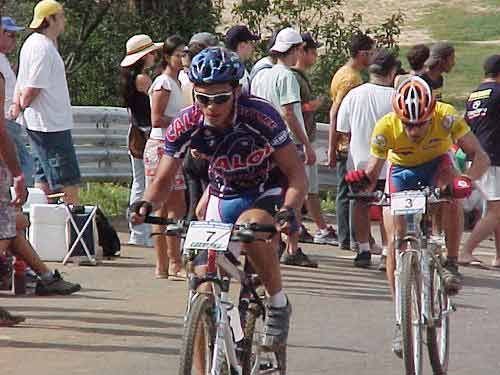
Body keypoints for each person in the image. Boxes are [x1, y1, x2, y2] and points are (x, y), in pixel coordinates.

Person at [131, 47, 305, 355]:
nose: (211, 106)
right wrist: (146, 204)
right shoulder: (187, 122)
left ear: (237, 91)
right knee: (202, 286)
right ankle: (219, 334)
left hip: (265, 190)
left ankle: (278, 303)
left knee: (250, 228)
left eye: (221, 98)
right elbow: (162, 179)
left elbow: (296, 174)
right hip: (222, 193)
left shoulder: (261, 115)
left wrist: (289, 210)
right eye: (203, 98)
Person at [345, 76, 489, 356]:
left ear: (431, 113)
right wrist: (361, 181)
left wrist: (467, 180)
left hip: (438, 167)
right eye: (408, 124)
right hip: (402, 174)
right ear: (398, 116)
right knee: (393, 245)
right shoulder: (386, 126)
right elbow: (374, 173)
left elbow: (479, 156)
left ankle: (451, 261)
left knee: (451, 195)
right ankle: (401, 321)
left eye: (420, 123)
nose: (413, 130)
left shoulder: (446, 116)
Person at [251, 27, 317, 267]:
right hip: (286, 143)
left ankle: (271, 241)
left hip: (262, 143)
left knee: (269, 194)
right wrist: (307, 144)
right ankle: (291, 246)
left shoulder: (260, 75)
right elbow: (290, 113)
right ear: (297, 49)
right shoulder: (287, 76)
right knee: (295, 194)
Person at [13, 0, 80, 204]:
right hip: (50, 125)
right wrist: (22, 104)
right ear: (49, 19)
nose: (64, 20)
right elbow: (32, 87)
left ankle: (43, 227)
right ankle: (74, 228)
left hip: (45, 122)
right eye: (60, 16)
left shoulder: (36, 43)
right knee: (66, 179)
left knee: (44, 178)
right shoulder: (42, 48)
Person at [337, 49, 399, 269]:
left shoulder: (354, 94)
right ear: (392, 72)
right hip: (388, 163)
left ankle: (362, 249)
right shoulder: (396, 97)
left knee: (360, 205)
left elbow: (343, 128)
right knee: (386, 207)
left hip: (359, 161)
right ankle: (386, 251)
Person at [144, 35, 187, 279]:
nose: (182, 58)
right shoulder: (163, 83)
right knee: (168, 206)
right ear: (167, 57)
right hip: (162, 145)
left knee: (172, 206)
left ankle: (167, 264)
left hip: (171, 145)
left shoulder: (177, 81)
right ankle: (171, 263)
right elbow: (156, 119)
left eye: (184, 53)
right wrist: (183, 123)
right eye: (178, 54)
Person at [328, 32, 374, 251]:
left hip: (345, 143)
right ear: (361, 53)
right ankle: (350, 237)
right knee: (349, 194)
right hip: (347, 145)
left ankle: (348, 237)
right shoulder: (351, 79)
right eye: (370, 53)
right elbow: (336, 112)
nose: (372, 57)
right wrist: (331, 147)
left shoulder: (344, 72)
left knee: (345, 192)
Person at [291, 32, 338, 245]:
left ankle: (310, 227)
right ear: (303, 52)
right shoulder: (292, 77)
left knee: (309, 189)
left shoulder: (299, 76)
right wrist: (312, 106)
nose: (316, 56)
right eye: (313, 52)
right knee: (307, 190)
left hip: (304, 138)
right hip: (300, 140)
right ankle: (312, 229)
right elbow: (291, 107)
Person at [120, 34, 163, 247]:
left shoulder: (130, 78)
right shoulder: (143, 80)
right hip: (145, 134)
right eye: (152, 53)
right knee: (145, 184)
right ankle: (141, 231)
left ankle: (137, 231)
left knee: (139, 183)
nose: (155, 56)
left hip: (135, 133)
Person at [461, 55, 500, 267]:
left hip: (476, 156)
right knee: (496, 211)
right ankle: (466, 251)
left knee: (496, 208)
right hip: (493, 157)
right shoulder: (498, 93)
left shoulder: (475, 94)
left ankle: (499, 256)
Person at [0, 17, 34, 186]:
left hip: (10, 119)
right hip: (6, 120)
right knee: (25, 164)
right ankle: (21, 201)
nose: (14, 40)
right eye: (10, 35)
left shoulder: (3, 59)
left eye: (15, 36)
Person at [226, 25, 260, 95]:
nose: (253, 47)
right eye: (251, 43)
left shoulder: (226, 66)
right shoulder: (239, 73)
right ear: (242, 45)